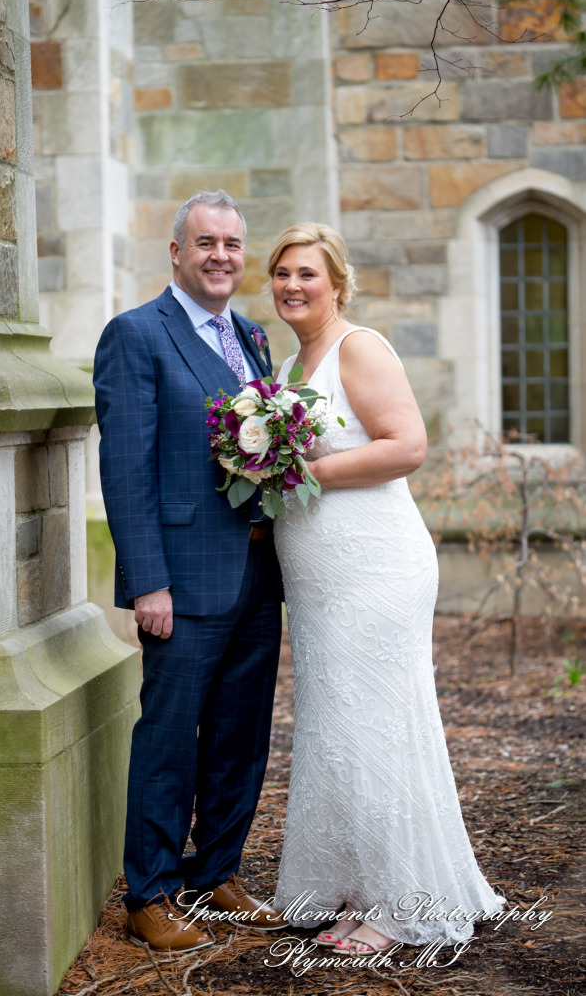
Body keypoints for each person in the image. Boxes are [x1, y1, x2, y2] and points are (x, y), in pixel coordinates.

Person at [268, 222, 505, 953]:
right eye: (279, 274)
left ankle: (402, 904)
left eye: (305, 273)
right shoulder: (284, 367)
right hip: (318, 578)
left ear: (337, 282)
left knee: (372, 722)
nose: (290, 286)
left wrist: (294, 470)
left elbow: (406, 446)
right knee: (338, 725)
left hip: (373, 567)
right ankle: (358, 886)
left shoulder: (357, 347)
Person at [93, 190, 285, 953]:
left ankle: (219, 874)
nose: (220, 256)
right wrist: (147, 583)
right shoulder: (136, 335)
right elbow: (126, 468)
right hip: (180, 581)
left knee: (241, 735)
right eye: (205, 243)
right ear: (176, 252)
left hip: (256, 577)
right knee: (169, 739)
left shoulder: (252, 338)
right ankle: (149, 892)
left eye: (232, 244)